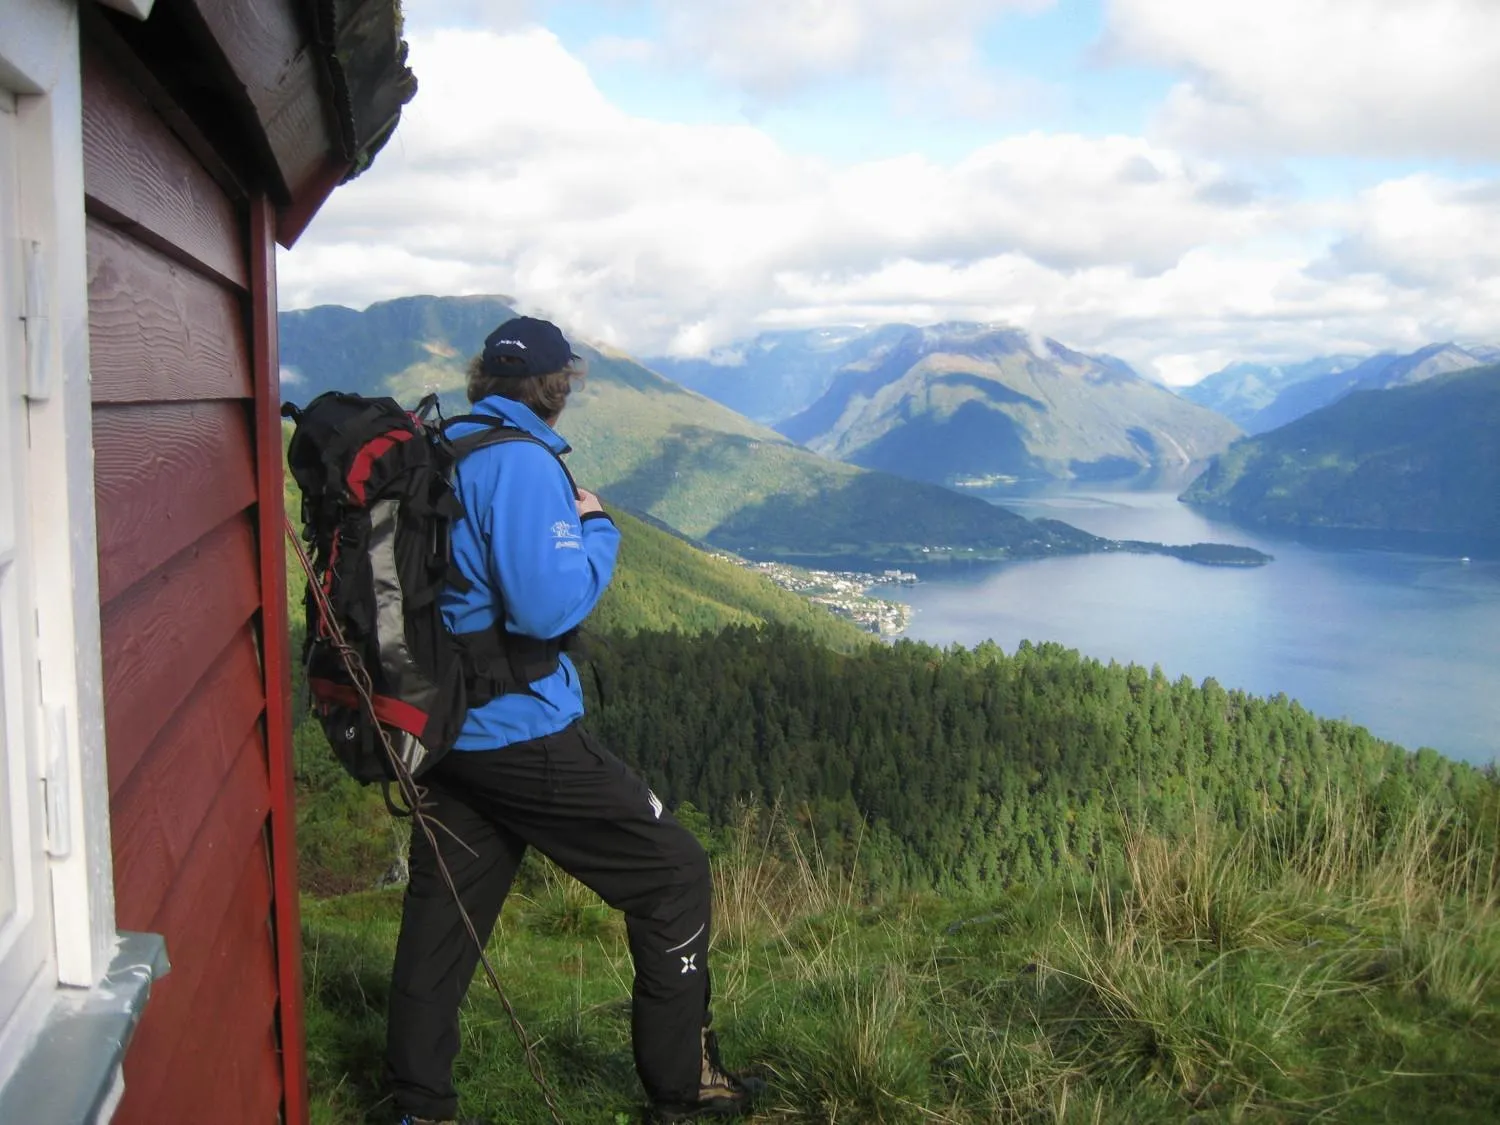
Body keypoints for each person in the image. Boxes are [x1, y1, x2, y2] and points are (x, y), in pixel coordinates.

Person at [385, 316, 763, 1125]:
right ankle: (683, 1088)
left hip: (446, 726)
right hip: (517, 729)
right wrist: (597, 528)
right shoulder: (520, 464)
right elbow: (547, 605)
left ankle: (418, 1105)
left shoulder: (451, 444)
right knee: (673, 874)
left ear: (484, 378)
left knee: (445, 910)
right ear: (560, 389)